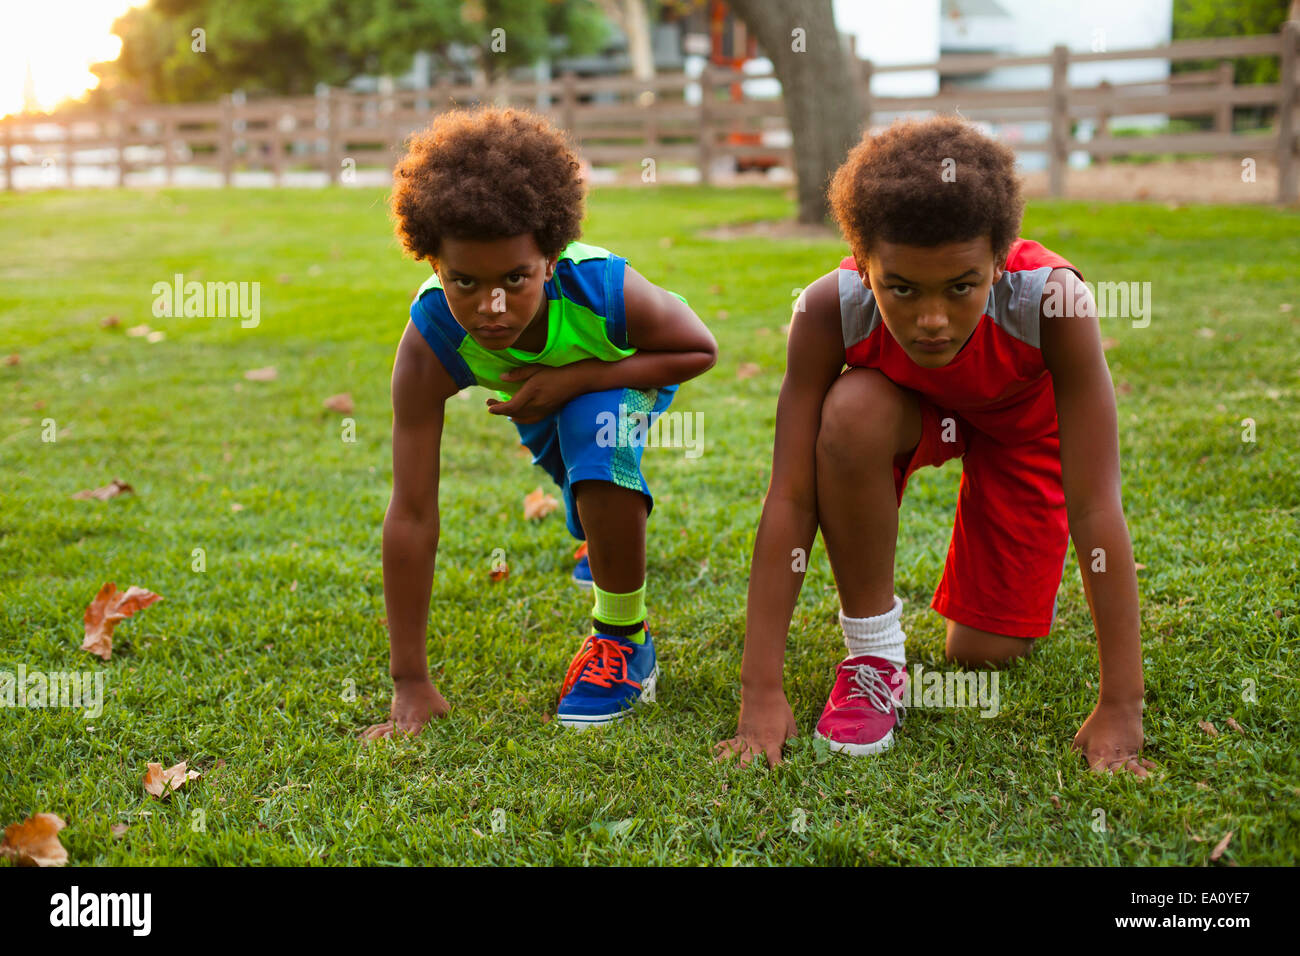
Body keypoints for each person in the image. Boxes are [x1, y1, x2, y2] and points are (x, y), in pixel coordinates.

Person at [715, 115, 1151, 776]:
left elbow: (1095, 506)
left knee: (981, 651)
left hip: (1019, 433)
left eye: (961, 287)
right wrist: (760, 695)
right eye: (902, 288)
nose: (932, 320)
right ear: (864, 267)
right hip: (905, 411)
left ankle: (996, 604)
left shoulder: (1056, 304)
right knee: (852, 411)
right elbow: (791, 497)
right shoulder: (825, 311)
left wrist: (1123, 702)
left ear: (1000, 264)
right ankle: (872, 656)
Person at [363, 107, 716, 738]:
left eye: (514, 279)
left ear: (550, 259)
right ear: (432, 266)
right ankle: (595, 535)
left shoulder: (605, 288)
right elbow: (411, 511)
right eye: (463, 281)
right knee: (579, 480)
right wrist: (409, 681)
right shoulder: (431, 341)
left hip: (629, 369)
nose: (490, 306)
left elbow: (698, 351)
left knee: (595, 438)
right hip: (539, 393)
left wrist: (577, 379)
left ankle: (623, 640)